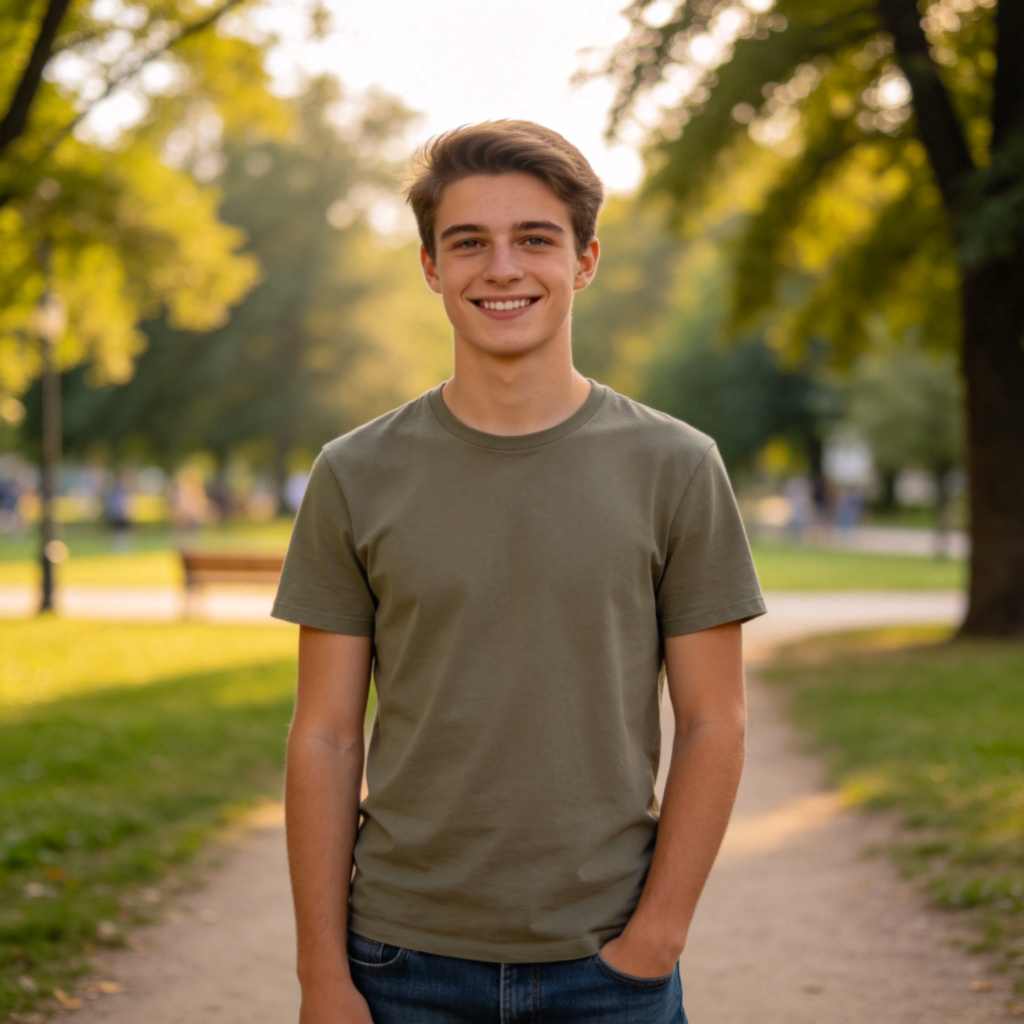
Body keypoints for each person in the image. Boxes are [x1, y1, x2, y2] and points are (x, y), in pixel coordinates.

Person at [272, 120, 766, 1024]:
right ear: (430, 267)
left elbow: (714, 720)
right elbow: (327, 737)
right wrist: (322, 975)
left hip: (606, 967)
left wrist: (653, 941)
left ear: (583, 261)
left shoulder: (678, 466)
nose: (502, 268)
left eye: (535, 239)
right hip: (397, 961)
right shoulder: (354, 472)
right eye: (469, 243)